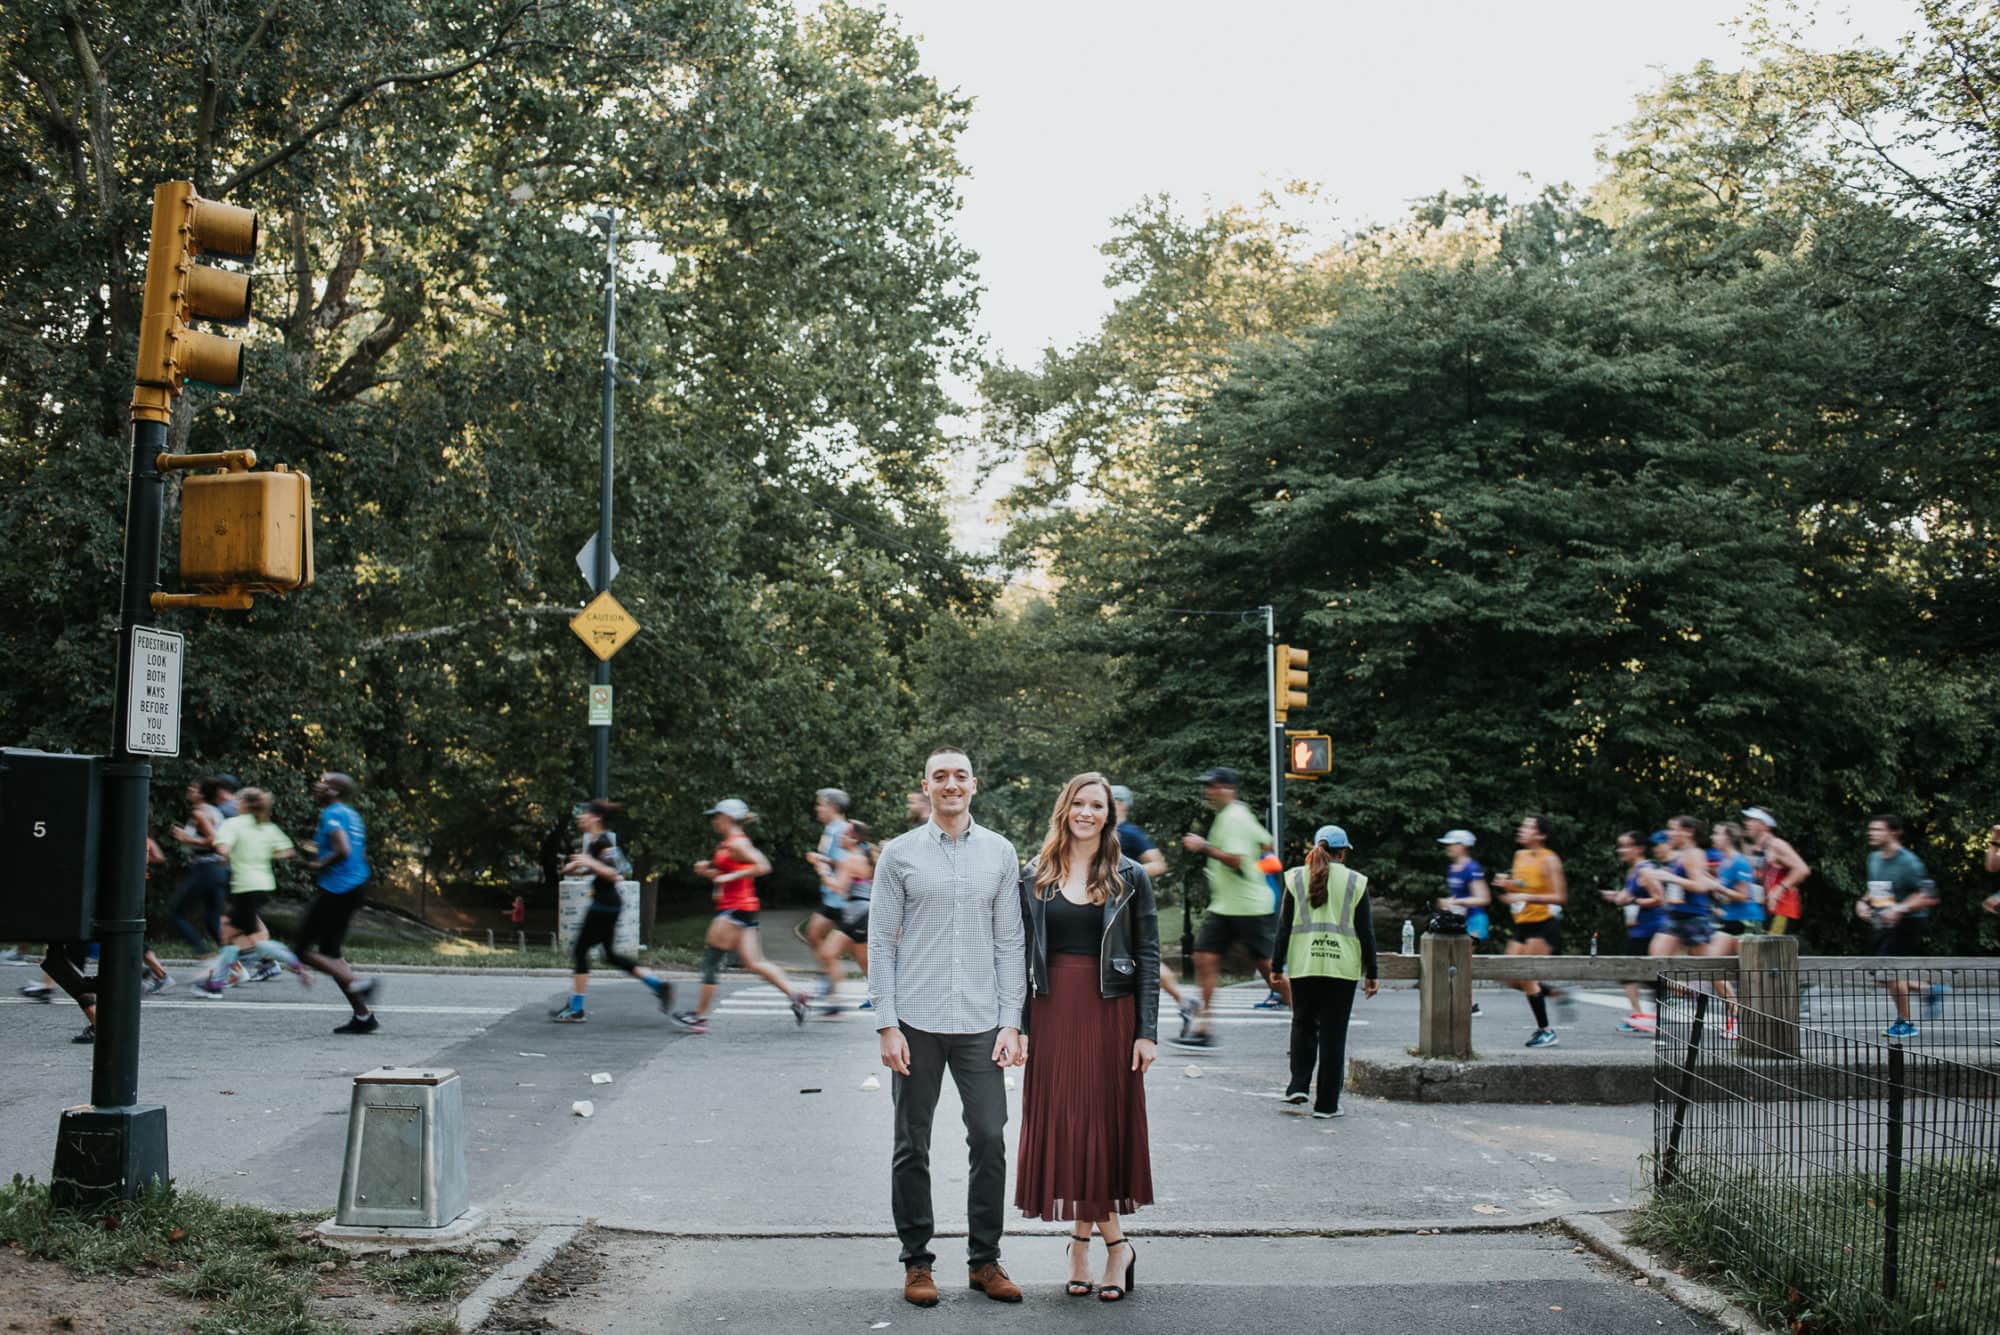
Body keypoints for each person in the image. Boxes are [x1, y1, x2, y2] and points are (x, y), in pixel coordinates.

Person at [868, 745, 1026, 1308]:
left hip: (982, 1021)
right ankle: (917, 1262)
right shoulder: (900, 853)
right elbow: (881, 941)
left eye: (960, 775)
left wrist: (1013, 1022)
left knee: (989, 1136)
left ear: (974, 784)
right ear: (927, 786)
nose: (951, 784)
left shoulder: (1000, 853)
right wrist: (887, 1024)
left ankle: (985, 1260)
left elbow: (1011, 942)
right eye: (941, 776)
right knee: (912, 1144)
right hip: (916, 1019)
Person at [1017, 772, 1157, 1302]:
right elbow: (1019, 954)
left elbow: (1148, 955)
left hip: (1109, 1011)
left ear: (1108, 814)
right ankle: (1101, 1244)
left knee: (1100, 1125)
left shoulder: (1130, 875)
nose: (1087, 813)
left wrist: (1147, 1031)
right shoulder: (1036, 874)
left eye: (1097, 805)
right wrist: (1020, 1024)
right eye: (1079, 803)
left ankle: (1100, 1245)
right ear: (1065, 809)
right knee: (1066, 1125)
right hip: (1052, 1011)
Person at [670, 799, 808, 1033]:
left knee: (712, 960)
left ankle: (699, 1017)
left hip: (735, 907)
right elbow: (732, 872)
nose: (714, 821)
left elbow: (763, 866)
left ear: (727, 818)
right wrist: (710, 872)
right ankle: (796, 996)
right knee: (754, 962)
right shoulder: (729, 843)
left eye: (717, 816)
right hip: (742, 907)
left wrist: (726, 878)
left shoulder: (737, 843)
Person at [1271, 826, 1378, 1118]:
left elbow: (1283, 927)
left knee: (1303, 1024)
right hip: (1341, 967)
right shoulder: (1355, 881)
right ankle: (1327, 1105)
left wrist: (1276, 966)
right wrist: (1372, 972)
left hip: (1304, 963)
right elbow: (1366, 932)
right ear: (1341, 853)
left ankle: (1298, 1085)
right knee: (1333, 1035)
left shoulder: (1295, 878)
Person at [1173, 767, 1283, 1050]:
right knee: (1204, 957)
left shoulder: (1234, 817)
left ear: (1228, 789)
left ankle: (1309, 1020)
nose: (1208, 792)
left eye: (1213, 786)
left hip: (1248, 907)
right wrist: (1260, 865)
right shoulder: (1236, 814)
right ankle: (1204, 1027)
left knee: (1268, 967)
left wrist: (1203, 846)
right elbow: (1266, 843)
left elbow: (1234, 860)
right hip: (1227, 906)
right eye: (1207, 786)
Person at [551, 799, 671, 1024]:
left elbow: (618, 874)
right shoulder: (595, 842)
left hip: (604, 906)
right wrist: (577, 867)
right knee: (611, 956)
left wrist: (588, 862)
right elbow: (598, 871)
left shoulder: (605, 842)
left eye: (584, 814)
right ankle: (657, 985)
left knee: (580, 951)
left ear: (596, 818)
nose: (580, 817)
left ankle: (576, 1008)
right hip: (606, 905)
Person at [292, 773, 386, 1033]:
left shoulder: (331, 814)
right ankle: (364, 1017)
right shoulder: (351, 814)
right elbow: (355, 849)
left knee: (300, 950)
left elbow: (343, 849)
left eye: (323, 782)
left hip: (338, 888)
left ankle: (360, 983)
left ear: (333, 791)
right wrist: (317, 847)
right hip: (355, 885)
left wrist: (318, 864)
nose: (317, 785)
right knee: (330, 953)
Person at [196, 787, 311, 994]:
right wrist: (264, 854)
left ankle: (294, 961)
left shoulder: (233, 824)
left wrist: (230, 855)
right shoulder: (266, 827)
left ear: (243, 803)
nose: (233, 803)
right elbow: (287, 850)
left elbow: (222, 849)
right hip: (263, 886)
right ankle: (215, 984)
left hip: (244, 886)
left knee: (252, 939)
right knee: (228, 933)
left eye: (237, 799)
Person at [1112, 785, 1194, 1037]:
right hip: (1110, 903)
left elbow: (1159, 864)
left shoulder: (1129, 833)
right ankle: (1184, 1001)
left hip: (1126, 903)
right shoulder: (1105, 832)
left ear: (1121, 804)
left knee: (1141, 955)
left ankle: (1184, 1001)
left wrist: (1122, 876)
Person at [1857, 815, 1937, 1039]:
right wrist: (1863, 902)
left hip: (1909, 922)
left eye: (1878, 829)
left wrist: (1900, 909)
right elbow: (1876, 889)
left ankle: (1906, 1023)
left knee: (1891, 972)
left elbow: (1929, 896)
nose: (1872, 833)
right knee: (1882, 975)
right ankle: (1927, 989)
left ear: (1894, 833)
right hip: (1884, 923)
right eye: (1871, 829)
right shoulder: (1874, 858)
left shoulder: (1909, 862)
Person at [1494, 814, 1568, 1048]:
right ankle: (1555, 993)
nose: (1521, 830)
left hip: (1544, 923)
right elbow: (1520, 886)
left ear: (1540, 835)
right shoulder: (1520, 856)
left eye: (1528, 827)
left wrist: (1528, 897)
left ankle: (1546, 1031)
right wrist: (1508, 886)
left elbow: (1559, 897)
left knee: (1526, 975)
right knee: (1509, 977)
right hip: (1523, 923)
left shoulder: (1550, 860)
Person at [1602, 831, 1666, 1033]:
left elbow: (1660, 898)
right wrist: (1616, 897)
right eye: (1620, 846)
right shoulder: (1634, 870)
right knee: (1636, 974)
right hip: (1638, 929)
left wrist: (1633, 901)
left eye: (1626, 846)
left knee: (1635, 972)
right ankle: (1641, 1016)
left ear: (1638, 848)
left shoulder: (1645, 870)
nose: (1622, 850)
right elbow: (1628, 896)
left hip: (1650, 929)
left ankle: (1644, 1016)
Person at [1705, 821, 1762, 1039]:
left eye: (1717, 833)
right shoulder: (1723, 863)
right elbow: (1724, 895)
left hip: (1747, 922)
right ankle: (1736, 1015)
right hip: (1729, 922)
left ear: (1728, 838)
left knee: (1748, 974)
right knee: (1711, 967)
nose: (1713, 837)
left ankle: (1746, 1021)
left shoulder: (1739, 862)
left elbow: (1743, 895)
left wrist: (1717, 887)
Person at [804, 788, 861, 1006]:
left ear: (833, 807)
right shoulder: (830, 829)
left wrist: (820, 860)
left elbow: (848, 862)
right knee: (813, 934)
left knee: (858, 954)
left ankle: (834, 993)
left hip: (842, 898)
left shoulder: (843, 830)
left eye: (821, 804)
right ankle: (829, 978)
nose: (817, 808)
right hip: (831, 898)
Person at [814, 820, 875, 1016]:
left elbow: (839, 888)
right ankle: (885, 997)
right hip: (863, 912)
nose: (840, 837)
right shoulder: (863, 857)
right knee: (864, 961)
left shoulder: (852, 860)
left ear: (854, 838)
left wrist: (821, 871)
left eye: (844, 834)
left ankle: (834, 1000)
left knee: (828, 953)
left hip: (856, 913)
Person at [167, 778, 228, 951]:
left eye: (193, 788)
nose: (189, 790)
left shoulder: (200, 813)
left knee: (176, 913)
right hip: (218, 869)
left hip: (206, 868)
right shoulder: (215, 811)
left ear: (201, 794)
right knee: (212, 920)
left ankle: (203, 952)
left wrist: (186, 838)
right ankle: (235, 964)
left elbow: (215, 841)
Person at [1743, 808, 1810, 937]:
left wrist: (1780, 888)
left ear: (1764, 825)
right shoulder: (1759, 848)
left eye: (1752, 820)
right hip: (1766, 911)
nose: (1747, 823)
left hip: (1782, 911)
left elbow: (1802, 869)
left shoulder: (1776, 845)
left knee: (1772, 954)